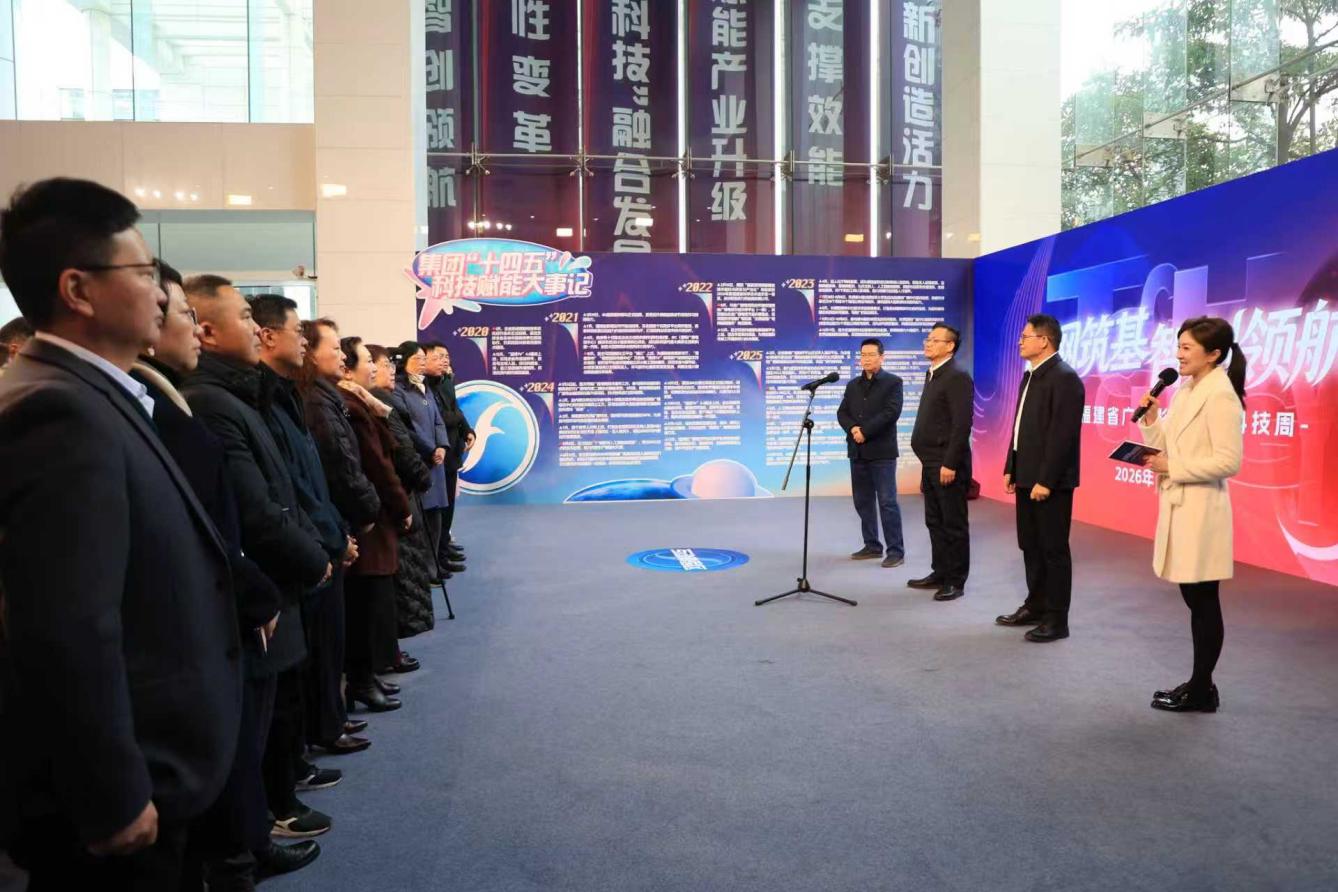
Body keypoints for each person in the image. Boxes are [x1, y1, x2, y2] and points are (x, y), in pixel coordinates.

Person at [0, 177, 240, 888]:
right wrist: (113, 795)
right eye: (142, 272)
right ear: (77, 290)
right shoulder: (57, 410)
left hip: (157, 763)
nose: (162, 295)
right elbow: (66, 625)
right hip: (124, 792)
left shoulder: (98, 392)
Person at [128, 263, 318, 882]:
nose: (258, 331)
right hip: (223, 611)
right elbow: (238, 514)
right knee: (239, 745)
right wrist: (269, 581)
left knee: (254, 737)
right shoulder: (193, 401)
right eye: (180, 313)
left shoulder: (198, 394)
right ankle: (241, 850)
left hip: (249, 596)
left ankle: (248, 841)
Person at [180, 276, 335, 841]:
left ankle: (270, 812)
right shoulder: (211, 402)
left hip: (285, 571)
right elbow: (256, 508)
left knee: (279, 704)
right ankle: (260, 829)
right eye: (243, 317)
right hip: (263, 581)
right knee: (259, 719)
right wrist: (314, 555)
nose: (252, 326)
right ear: (207, 330)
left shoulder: (245, 394)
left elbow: (288, 485)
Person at [249, 295, 371, 753]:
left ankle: (329, 722)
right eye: (300, 333)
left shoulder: (290, 398)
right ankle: (322, 729)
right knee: (314, 652)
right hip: (311, 546)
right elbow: (299, 486)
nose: (302, 341)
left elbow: (315, 476)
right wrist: (333, 538)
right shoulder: (295, 401)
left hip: (325, 536)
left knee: (327, 645)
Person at [1137, 317, 1246, 713]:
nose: (1178, 355)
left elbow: (1228, 461)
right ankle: (1201, 685)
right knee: (1194, 598)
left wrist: (1174, 467)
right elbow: (1168, 444)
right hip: (1180, 504)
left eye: (1186, 348)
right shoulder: (1187, 388)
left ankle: (1202, 689)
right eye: (1178, 346)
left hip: (1201, 510)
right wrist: (1152, 420)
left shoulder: (1220, 395)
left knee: (1203, 601)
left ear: (1213, 354)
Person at [335, 335, 415, 710]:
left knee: (374, 603)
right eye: (368, 360)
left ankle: (369, 674)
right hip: (369, 520)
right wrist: (398, 505)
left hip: (376, 515)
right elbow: (374, 466)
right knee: (366, 606)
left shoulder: (365, 403)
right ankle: (362, 681)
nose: (374, 366)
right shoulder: (350, 407)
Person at [997, 313, 1085, 642]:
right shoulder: (1031, 375)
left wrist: (1046, 480)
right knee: (1030, 545)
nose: (1020, 341)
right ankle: (1035, 605)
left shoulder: (1065, 378)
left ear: (1044, 340)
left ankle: (1057, 619)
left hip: (1051, 482)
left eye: (1025, 336)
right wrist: (1011, 465)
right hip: (1026, 475)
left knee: (1053, 549)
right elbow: (1019, 427)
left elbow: (1063, 437)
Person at [368, 344, 439, 639]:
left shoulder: (383, 400)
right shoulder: (379, 404)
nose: (390, 370)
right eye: (383, 364)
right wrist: (421, 474)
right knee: (401, 575)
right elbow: (402, 449)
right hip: (395, 499)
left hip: (404, 491)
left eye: (389, 365)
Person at [908, 323, 974, 601]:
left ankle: (955, 581)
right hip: (930, 461)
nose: (928, 343)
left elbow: (961, 424)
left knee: (953, 523)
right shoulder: (934, 373)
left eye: (935, 340)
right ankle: (940, 572)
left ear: (950, 346)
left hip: (947, 464)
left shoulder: (957, 376)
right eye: (928, 339)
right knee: (935, 521)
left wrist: (950, 463)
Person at [837, 337, 906, 568]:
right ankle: (872, 545)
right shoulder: (852, 385)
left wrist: (865, 432)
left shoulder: (893, 382)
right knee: (863, 501)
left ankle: (895, 551)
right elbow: (842, 413)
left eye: (871, 355)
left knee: (887, 502)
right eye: (863, 355)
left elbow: (891, 413)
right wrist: (853, 429)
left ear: (881, 357)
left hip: (882, 452)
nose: (866, 359)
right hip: (857, 452)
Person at [392, 341, 452, 594]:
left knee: (436, 517)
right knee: (422, 520)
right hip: (419, 461)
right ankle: (424, 571)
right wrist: (430, 449)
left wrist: (442, 446)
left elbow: (438, 421)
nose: (421, 363)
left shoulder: (425, 387)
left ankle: (434, 566)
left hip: (436, 461)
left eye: (422, 359)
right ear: (403, 362)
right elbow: (408, 429)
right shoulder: (398, 391)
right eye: (417, 359)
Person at [423, 342, 472, 571]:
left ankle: (444, 546)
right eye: (438, 357)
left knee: (449, 505)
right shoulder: (424, 387)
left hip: (452, 453)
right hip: (436, 456)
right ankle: (438, 556)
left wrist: (468, 430)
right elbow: (442, 417)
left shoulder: (446, 382)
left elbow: (455, 410)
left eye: (446, 356)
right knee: (439, 508)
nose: (444, 361)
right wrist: (456, 417)